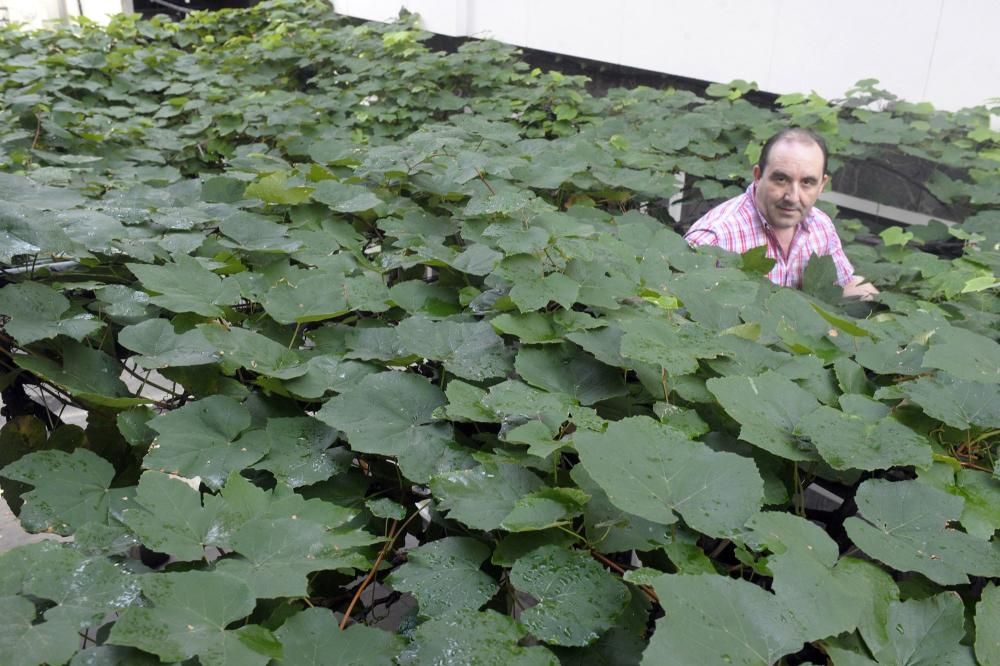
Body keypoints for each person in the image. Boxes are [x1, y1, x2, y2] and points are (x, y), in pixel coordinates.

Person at [684, 127, 878, 300]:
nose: (793, 197)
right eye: (781, 179)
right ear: (758, 175)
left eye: (807, 182)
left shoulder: (821, 225)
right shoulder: (712, 238)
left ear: (822, 185)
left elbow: (844, 284)